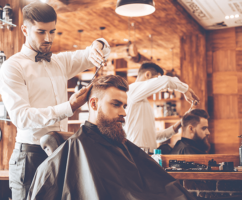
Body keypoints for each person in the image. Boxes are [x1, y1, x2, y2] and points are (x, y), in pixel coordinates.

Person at [0, 2, 110, 199]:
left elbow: (97, 49)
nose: (48, 38)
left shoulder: (60, 62)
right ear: (25, 29)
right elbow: (21, 117)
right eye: (41, 32)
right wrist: (70, 107)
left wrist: (97, 46)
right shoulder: (12, 67)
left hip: (59, 152)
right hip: (29, 156)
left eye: (52, 31)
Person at [27, 75, 196, 200]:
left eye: (124, 106)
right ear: (94, 104)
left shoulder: (121, 144)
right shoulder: (75, 148)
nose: (123, 112)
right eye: (116, 104)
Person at [125, 62, 200, 153]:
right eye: (157, 79)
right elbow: (166, 81)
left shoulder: (141, 101)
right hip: (137, 153)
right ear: (147, 74)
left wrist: (179, 124)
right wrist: (185, 89)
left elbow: (153, 137)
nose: (158, 84)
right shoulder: (132, 90)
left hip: (146, 154)